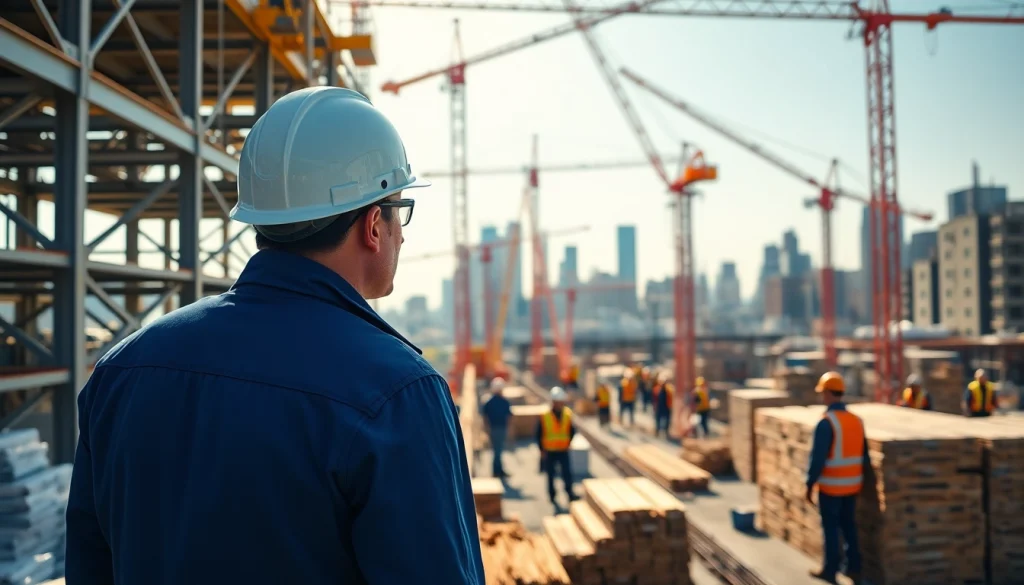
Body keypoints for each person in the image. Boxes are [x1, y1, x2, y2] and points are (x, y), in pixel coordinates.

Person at [65, 87, 485, 585]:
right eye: (400, 211)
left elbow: (90, 567)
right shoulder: (396, 395)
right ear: (374, 224)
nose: (402, 234)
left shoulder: (122, 370)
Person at [805, 371, 868, 585]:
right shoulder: (855, 421)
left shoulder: (826, 423)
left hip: (832, 486)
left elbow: (818, 459)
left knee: (831, 529)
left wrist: (809, 484)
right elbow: (864, 455)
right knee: (849, 526)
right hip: (852, 484)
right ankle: (854, 568)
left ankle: (830, 570)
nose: (822, 397)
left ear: (829, 394)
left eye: (823, 393)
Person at [537, 387, 577, 507]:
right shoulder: (545, 415)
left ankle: (570, 493)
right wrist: (541, 450)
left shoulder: (567, 414)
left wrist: (569, 442)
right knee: (550, 475)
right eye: (557, 401)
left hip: (563, 450)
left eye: (561, 401)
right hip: (550, 451)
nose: (559, 404)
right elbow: (539, 433)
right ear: (553, 402)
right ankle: (552, 495)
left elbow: (571, 430)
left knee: (567, 473)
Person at [482, 377, 513, 479]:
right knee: (498, 451)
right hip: (500, 429)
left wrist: (486, 429)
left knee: (497, 451)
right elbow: (509, 417)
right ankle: (497, 472)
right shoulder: (504, 402)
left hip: (494, 429)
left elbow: (484, 417)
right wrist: (509, 430)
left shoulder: (489, 402)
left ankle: (498, 470)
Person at [653, 373, 674, 438]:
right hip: (659, 407)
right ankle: (657, 431)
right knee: (658, 419)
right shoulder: (656, 389)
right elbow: (654, 398)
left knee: (667, 420)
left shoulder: (669, 389)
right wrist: (654, 406)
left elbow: (671, 397)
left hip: (666, 407)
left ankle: (666, 431)